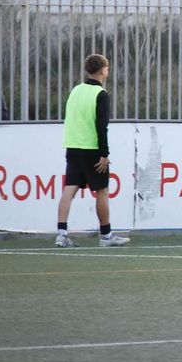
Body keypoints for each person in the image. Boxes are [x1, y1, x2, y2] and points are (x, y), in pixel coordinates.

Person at [53, 53, 128, 248]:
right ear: (103, 70)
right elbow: (102, 126)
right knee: (102, 190)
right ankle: (106, 236)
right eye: (107, 68)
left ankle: (61, 235)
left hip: (72, 147)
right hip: (92, 149)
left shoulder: (75, 90)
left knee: (69, 189)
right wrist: (104, 153)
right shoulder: (101, 94)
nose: (107, 71)